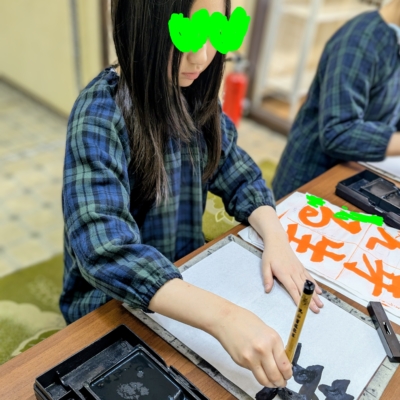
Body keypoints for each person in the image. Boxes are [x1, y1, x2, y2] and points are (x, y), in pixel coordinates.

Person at [61, 0, 323, 388]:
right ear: (142, 23)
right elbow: (104, 250)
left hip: (187, 275)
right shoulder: (100, 113)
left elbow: (239, 173)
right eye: (187, 33)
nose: (201, 56)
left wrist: (276, 239)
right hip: (112, 300)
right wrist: (224, 317)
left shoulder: (194, 95)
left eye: (214, 31)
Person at [272, 0, 400, 201]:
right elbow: (337, 133)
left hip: (356, 171)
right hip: (311, 178)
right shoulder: (358, 43)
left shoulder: (393, 41)